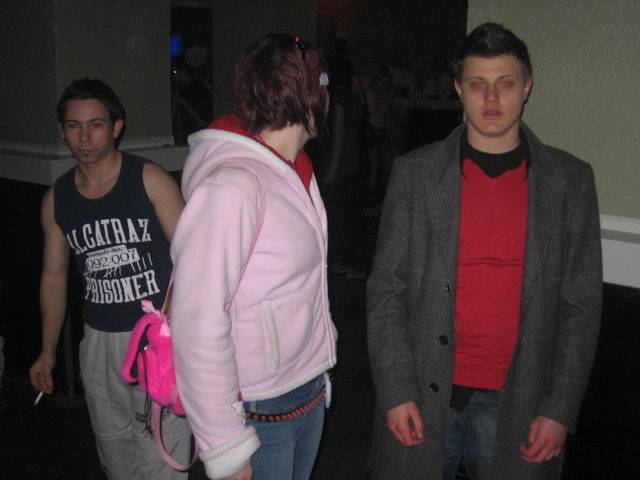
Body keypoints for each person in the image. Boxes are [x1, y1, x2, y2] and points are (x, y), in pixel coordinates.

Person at [366, 23, 602, 480]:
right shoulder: (414, 174)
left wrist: (560, 408)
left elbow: (581, 306)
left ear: (527, 87)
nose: (491, 99)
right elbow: (386, 292)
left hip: (522, 402)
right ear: (458, 88)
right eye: (477, 85)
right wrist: (395, 390)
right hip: (422, 395)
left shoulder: (570, 182)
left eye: (505, 84)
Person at [170, 34, 338, 480]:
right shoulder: (233, 185)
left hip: (306, 389)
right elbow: (196, 320)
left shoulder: (297, 172)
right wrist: (227, 447)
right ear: (308, 93)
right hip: (258, 408)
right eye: (324, 83)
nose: (329, 96)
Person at [29, 78, 190, 479]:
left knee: (162, 454)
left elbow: (194, 258)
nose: (84, 137)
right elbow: (53, 278)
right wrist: (47, 351)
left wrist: (170, 325)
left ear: (116, 127)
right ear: (62, 130)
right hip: (99, 341)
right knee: (116, 452)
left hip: (157, 338)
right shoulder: (58, 199)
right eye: (73, 126)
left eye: (95, 124)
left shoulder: (150, 179)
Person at [322, 54, 366, 279]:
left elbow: (339, 133)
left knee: (338, 214)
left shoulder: (339, 97)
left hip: (341, 160)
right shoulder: (355, 96)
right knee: (348, 211)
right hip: (353, 156)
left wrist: (331, 170)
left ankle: (343, 261)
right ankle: (351, 261)